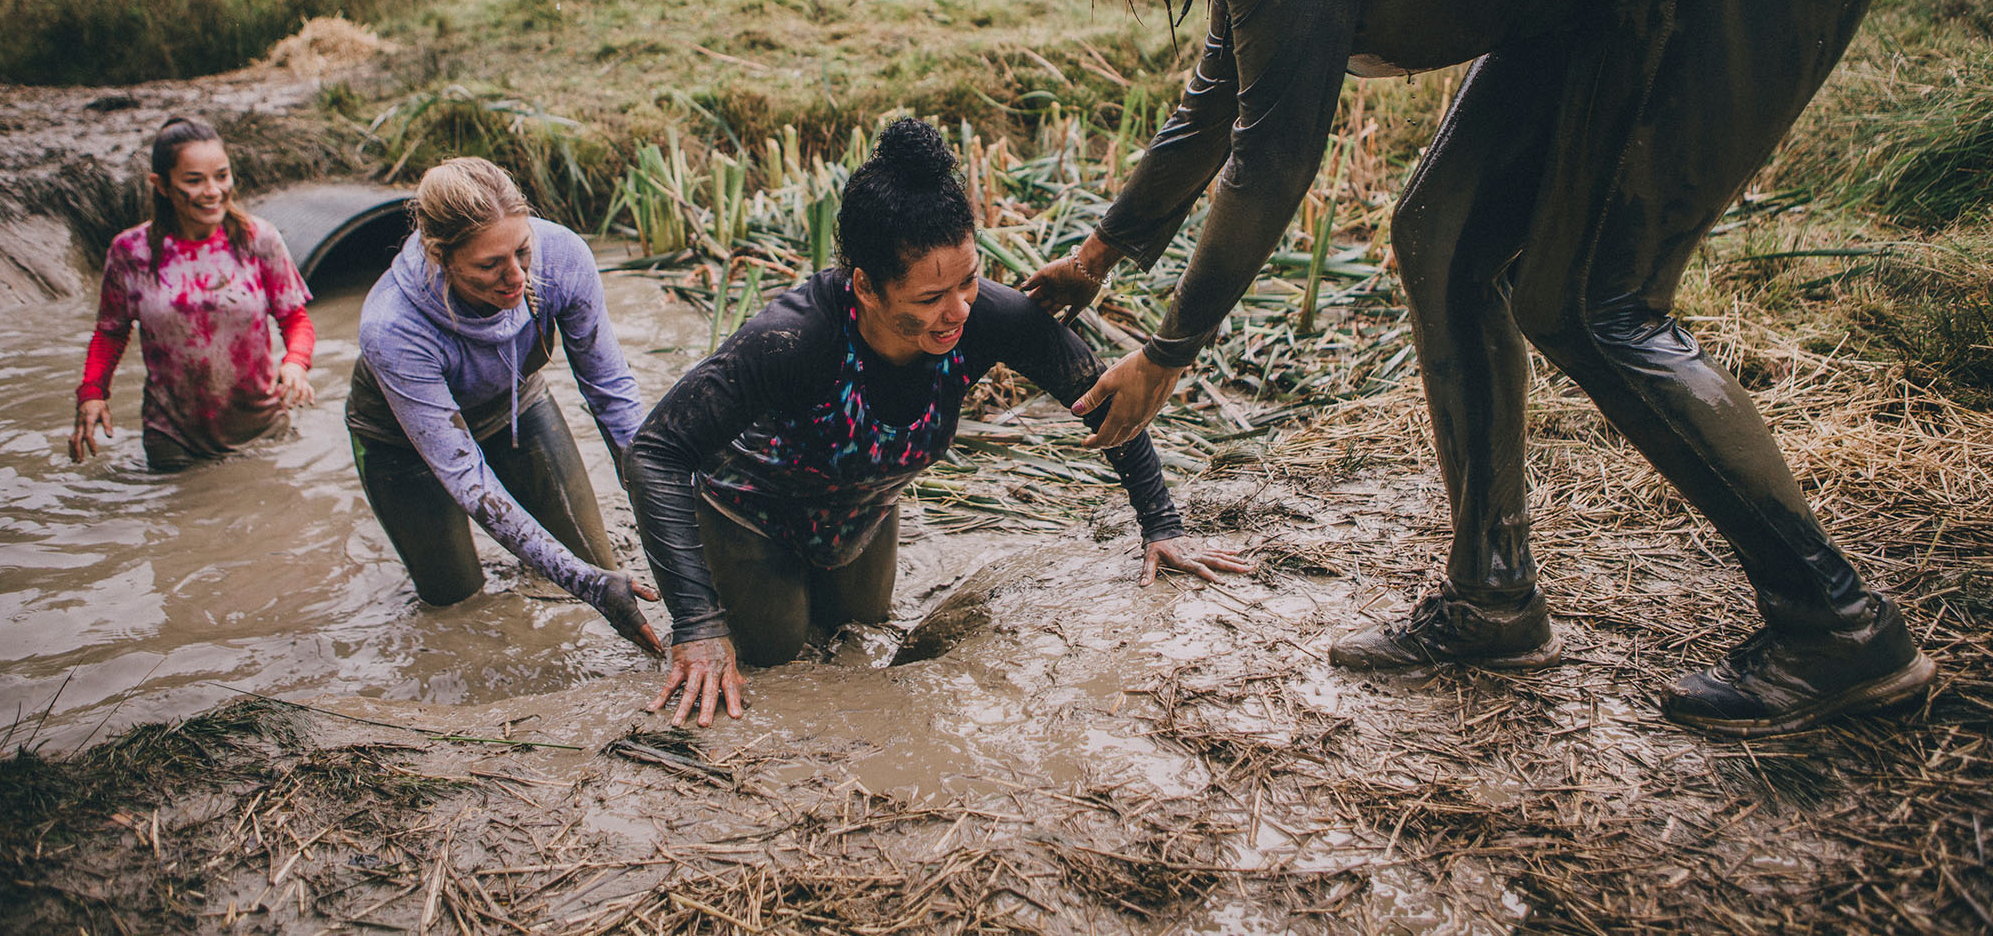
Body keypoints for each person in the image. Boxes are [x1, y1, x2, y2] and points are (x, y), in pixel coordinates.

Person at [1024, 0, 1934, 736]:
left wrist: (1168, 353)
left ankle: (1837, 628)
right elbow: (1220, 96)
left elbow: (1274, 149)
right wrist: (1096, 255)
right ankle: (1491, 595)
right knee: (1444, 235)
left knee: (1592, 299)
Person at [624, 118, 1253, 727]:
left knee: (864, 640)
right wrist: (698, 624)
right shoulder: (793, 339)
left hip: (861, 513)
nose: (956, 313)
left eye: (969, 282)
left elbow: (1103, 397)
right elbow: (654, 452)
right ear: (867, 287)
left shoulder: (986, 319)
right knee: (783, 660)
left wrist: (1162, 526)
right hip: (751, 516)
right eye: (928, 299)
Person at [346, 157, 662, 654]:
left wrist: (667, 505)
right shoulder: (392, 326)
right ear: (439, 256)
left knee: (600, 562)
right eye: (490, 265)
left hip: (517, 406)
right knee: (456, 604)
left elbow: (611, 393)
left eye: (521, 252)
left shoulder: (560, 256)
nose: (515, 277)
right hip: (401, 446)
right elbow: (466, 478)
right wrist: (585, 584)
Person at [70, 116, 315, 470]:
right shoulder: (131, 253)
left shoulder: (257, 239)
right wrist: (93, 394)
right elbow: (111, 333)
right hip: (173, 437)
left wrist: (296, 362)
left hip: (262, 428)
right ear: (162, 185)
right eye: (194, 180)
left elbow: (294, 317)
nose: (213, 191)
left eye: (222, 175)